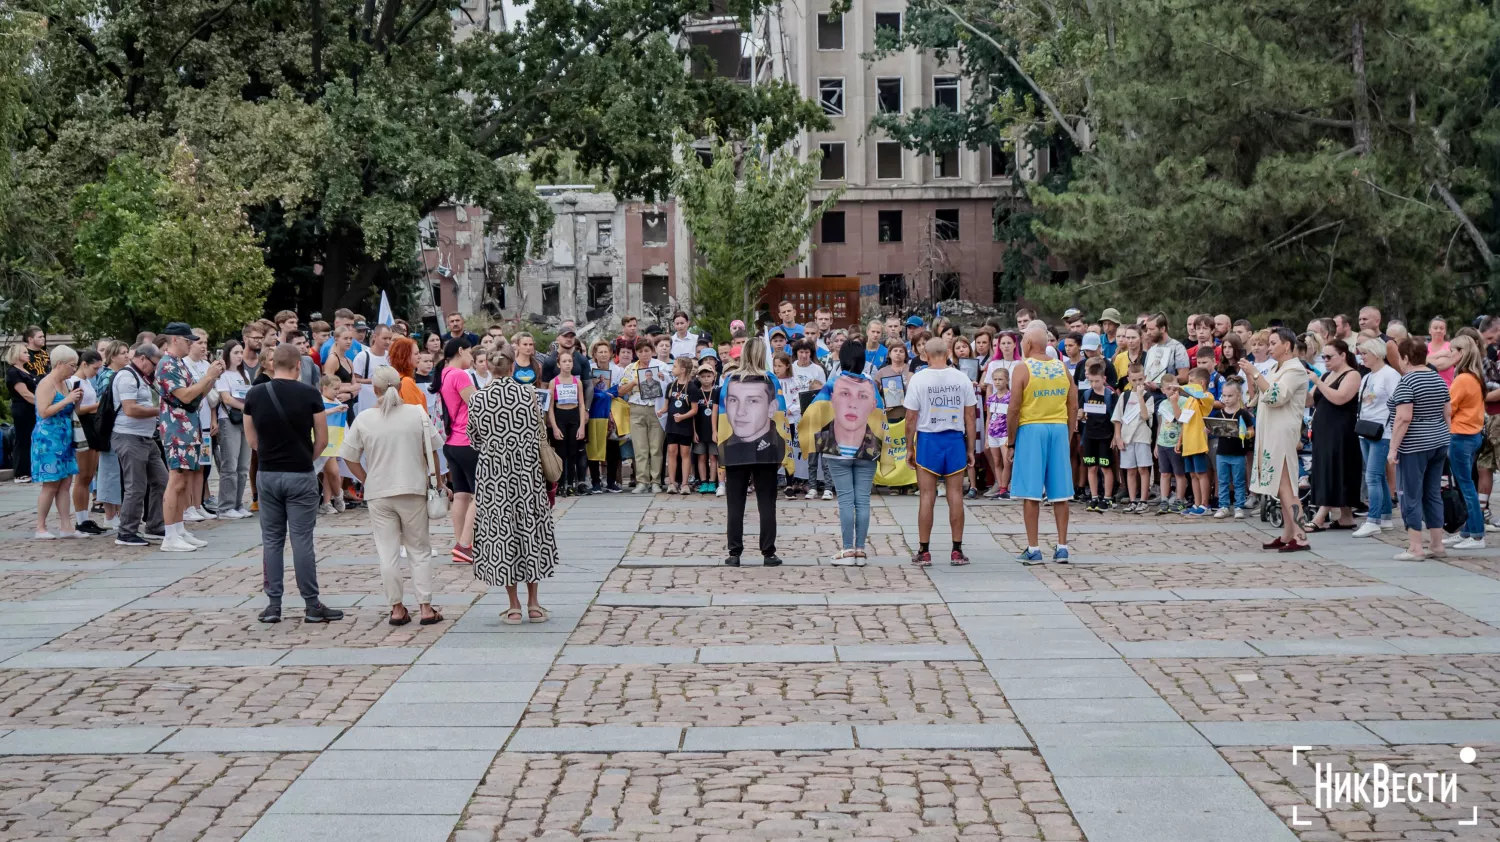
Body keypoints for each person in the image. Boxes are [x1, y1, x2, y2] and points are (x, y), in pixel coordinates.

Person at [244, 344, 341, 623]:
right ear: (298, 365)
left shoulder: (256, 393)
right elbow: (322, 438)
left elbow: (251, 439)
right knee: (302, 540)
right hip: (299, 472)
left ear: (273, 365)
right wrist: (306, 459)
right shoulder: (310, 393)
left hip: (268, 473)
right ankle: (311, 604)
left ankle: (274, 604)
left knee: (272, 540)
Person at [342, 366, 446, 625]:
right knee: (419, 550)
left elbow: (349, 456)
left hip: (379, 491)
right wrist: (438, 481)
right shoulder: (416, 414)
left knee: (387, 552)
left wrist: (366, 478)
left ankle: (397, 608)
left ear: (374, 389)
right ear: (400, 387)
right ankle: (425, 606)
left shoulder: (365, 418)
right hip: (412, 487)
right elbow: (432, 451)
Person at [468, 347, 558, 623]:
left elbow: (474, 438)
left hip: (494, 475)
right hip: (526, 471)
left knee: (503, 533)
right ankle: (534, 603)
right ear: (511, 369)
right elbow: (539, 431)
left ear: (489, 368)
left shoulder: (478, 398)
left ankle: (514, 605)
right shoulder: (528, 394)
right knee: (530, 530)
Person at [801, 341, 885, 565]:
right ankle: (860, 550)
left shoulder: (834, 383)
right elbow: (880, 412)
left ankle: (847, 550)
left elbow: (815, 411)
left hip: (838, 449)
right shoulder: (870, 384)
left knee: (846, 500)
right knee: (863, 501)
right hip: (866, 447)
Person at [905, 337, 977, 566]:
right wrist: (970, 448)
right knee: (955, 495)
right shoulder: (962, 378)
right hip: (954, 438)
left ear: (924, 355)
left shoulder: (919, 379)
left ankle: (924, 550)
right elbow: (970, 417)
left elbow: (910, 418)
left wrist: (909, 446)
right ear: (948, 352)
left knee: (927, 496)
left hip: (928, 439)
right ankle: (957, 550)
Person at [1008, 325, 1077, 563]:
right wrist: (1067, 433)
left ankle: (1034, 547)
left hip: (1031, 428)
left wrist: (1011, 440)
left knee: (1031, 492)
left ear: (1027, 344)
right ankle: (1062, 546)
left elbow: (1014, 407)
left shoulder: (1022, 368)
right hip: (1058, 428)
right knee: (1061, 493)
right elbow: (1073, 403)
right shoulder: (1062, 367)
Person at [717, 337, 788, 567]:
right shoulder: (771, 380)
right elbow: (780, 416)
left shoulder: (729, 380)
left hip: (735, 449)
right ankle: (768, 552)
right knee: (766, 502)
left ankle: (734, 552)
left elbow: (722, 415)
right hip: (766, 450)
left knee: (735, 503)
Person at [1239, 327, 1312, 552]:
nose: (1269, 348)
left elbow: (1276, 396)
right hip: (1269, 429)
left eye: (1272, 343)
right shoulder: (1275, 367)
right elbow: (1260, 395)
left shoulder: (1295, 369)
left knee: (1287, 485)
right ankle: (1288, 533)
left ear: (1287, 345)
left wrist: (1255, 373)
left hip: (1282, 430)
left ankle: (1301, 535)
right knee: (1281, 487)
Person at [156, 323, 224, 552]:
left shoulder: (178, 364)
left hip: (188, 427)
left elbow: (197, 396)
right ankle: (170, 535)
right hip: (176, 429)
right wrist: (208, 377)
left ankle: (178, 529)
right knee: (175, 481)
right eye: (188, 340)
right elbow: (185, 396)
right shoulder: (166, 365)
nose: (191, 343)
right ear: (175, 340)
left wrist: (212, 379)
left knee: (183, 480)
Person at [111, 344, 167, 547]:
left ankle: (154, 524)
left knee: (161, 479)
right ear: (142, 358)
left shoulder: (142, 376)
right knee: (136, 486)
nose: (154, 368)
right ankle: (126, 532)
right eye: (153, 364)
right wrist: (160, 410)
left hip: (145, 437)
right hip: (128, 436)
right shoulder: (127, 377)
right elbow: (130, 409)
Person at [1305, 339, 1362, 531]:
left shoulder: (1352, 374)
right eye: (1324, 357)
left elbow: (1340, 398)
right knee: (1329, 469)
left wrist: (1318, 382)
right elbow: (1310, 400)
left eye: (1330, 356)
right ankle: (1346, 516)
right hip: (1324, 430)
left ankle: (1321, 516)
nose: (1326, 360)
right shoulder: (1328, 375)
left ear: (1343, 355)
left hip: (1341, 430)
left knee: (1335, 469)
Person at [432, 338, 480, 563]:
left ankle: (461, 544)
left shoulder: (443, 374)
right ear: (461, 350)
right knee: (482, 494)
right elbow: (477, 404)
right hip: (466, 441)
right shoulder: (460, 375)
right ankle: (464, 544)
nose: (472, 358)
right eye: (470, 353)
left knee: (461, 495)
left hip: (452, 442)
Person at [31, 346, 81, 539]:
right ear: (59, 364)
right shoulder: (46, 383)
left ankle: (66, 526)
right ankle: (40, 527)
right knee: (51, 484)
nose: (73, 369)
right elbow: (43, 411)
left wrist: (75, 400)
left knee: (66, 482)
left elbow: (69, 409)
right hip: (48, 439)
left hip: (64, 438)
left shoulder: (66, 383)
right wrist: (67, 399)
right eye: (71, 365)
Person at [1351, 337, 1399, 537]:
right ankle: (1385, 515)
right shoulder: (1367, 376)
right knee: (1376, 476)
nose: (1362, 357)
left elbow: (1398, 403)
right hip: (1366, 429)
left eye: (1365, 353)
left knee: (1372, 476)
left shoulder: (1390, 375)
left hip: (1383, 431)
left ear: (1377, 354)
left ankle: (1373, 519)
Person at [1444, 335, 1486, 548]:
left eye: (1453, 350)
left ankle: (1477, 534)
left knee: (1466, 487)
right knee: (1466, 484)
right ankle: (1469, 531)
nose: (1450, 353)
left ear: (1462, 352)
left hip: (1461, 435)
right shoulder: (1475, 376)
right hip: (1472, 434)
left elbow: (1449, 407)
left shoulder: (1463, 379)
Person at [619, 336, 668, 493]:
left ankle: (656, 481)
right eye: (640, 351)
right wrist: (633, 382)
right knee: (640, 447)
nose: (644, 354)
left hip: (656, 408)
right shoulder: (630, 368)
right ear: (636, 353)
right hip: (637, 408)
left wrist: (663, 378)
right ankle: (642, 480)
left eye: (647, 350)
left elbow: (671, 385)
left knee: (656, 447)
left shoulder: (661, 366)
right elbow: (620, 391)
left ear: (652, 351)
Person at [67, 350, 105, 535]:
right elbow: (77, 409)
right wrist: (98, 406)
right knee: (82, 477)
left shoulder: (88, 382)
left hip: (92, 425)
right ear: (84, 364)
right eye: (94, 368)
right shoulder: (74, 381)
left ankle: (85, 518)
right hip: (82, 425)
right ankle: (80, 519)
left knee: (89, 475)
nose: (96, 372)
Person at [92, 341, 130, 527]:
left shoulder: (122, 374)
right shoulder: (107, 376)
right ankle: (109, 514)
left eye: (127, 352)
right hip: (110, 428)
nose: (126, 355)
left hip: (121, 428)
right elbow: (104, 405)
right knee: (109, 472)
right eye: (122, 352)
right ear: (112, 356)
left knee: (120, 472)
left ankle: (120, 511)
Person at [214, 340, 253, 518]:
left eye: (240, 353)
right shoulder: (223, 375)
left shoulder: (243, 373)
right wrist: (245, 408)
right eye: (235, 353)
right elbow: (226, 399)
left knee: (243, 465)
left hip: (244, 420)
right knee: (230, 464)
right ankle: (226, 506)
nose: (239, 356)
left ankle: (237, 504)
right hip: (229, 420)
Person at [547, 350, 591, 496]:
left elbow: (582, 404)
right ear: (559, 364)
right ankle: (560, 484)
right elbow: (550, 407)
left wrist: (581, 426)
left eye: (569, 361)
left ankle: (571, 483)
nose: (567, 364)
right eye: (564, 361)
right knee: (561, 452)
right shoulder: (554, 382)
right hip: (560, 415)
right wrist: (554, 426)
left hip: (574, 416)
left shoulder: (576, 381)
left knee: (573, 452)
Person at [1209, 380, 1255, 518]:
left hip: (1238, 453)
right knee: (1222, 480)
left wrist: (1246, 434)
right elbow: (1210, 428)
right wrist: (1208, 429)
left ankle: (1239, 506)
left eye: (1230, 396)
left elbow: (1252, 430)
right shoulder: (1218, 414)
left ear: (1238, 396)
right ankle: (1223, 506)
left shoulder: (1243, 414)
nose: (1227, 399)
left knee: (1239, 480)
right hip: (1221, 452)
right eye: (1224, 396)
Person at [1112, 364, 1155, 513]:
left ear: (1145, 378)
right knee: (1130, 470)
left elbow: (1145, 416)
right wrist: (1118, 437)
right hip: (1126, 437)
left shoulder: (1149, 397)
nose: (1137, 383)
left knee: (1143, 468)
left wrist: (1140, 397)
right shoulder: (1124, 396)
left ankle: (1143, 500)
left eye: (1140, 379)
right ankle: (1132, 500)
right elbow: (1117, 418)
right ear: (1129, 379)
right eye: (1134, 380)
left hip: (1142, 436)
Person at [1078, 360, 1118, 512]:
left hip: (1105, 436)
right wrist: (1080, 415)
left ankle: (1107, 497)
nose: (1094, 384)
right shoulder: (1087, 394)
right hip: (1090, 435)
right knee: (1091, 467)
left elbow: (1116, 417)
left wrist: (1115, 436)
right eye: (1091, 381)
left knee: (1106, 467)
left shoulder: (1110, 395)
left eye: (1097, 381)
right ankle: (1094, 496)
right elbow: (1082, 414)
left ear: (1104, 379)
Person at [586, 340, 625, 493]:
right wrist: (601, 393)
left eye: (605, 351)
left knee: (613, 447)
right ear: (594, 354)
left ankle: (611, 481)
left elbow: (620, 389)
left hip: (612, 411)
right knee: (594, 446)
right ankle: (596, 482)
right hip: (595, 411)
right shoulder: (589, 369)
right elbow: (588, 389)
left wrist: (612, 393)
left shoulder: (618, 370)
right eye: (600, 352)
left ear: (611, 353)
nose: (603, 354)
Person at [1178, 368, 1215, 517]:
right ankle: (1197, 503)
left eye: (1191, 382)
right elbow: (1182, 418)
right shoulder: (1189, 400)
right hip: (1188, 443)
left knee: (1201, 473)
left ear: (1201, 383)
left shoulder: (1206, 396)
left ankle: (1205, 504)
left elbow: (1201, 397)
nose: (1188, 385)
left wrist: (1181, 387)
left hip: (1198, 442)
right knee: (1192, 474)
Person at [662, 357, 700, 494]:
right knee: (671, 452)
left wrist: (683, 417)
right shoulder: (670, 386)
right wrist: (661, 411)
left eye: (675, 367)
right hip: (672, 425)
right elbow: (666, 406)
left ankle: (684, 483)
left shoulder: (692, 387)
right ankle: (672, 483)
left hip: (685, 426)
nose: (673, 369)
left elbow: (694, 410)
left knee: (685, 453)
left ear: (683, 370)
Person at [316, 376, 349, 514]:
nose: (337, 392)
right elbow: (316, 415)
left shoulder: (336, 401)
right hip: (320, 441)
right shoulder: (318, 401)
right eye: (335, 389)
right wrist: (334, 410)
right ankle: (335, 497)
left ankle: (329, 501)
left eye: (338, 389)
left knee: (331, 473)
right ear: (324, 388)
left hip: (333, 442)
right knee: (331, 472)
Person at [1154, 375, 1188, 514]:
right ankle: (1164, 499)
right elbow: (1160, 424)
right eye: (1168, 388)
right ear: (1163, 390)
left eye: (1174, 387)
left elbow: (1183, 421)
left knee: (1179, 473)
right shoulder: (1162, 404)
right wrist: (1157, 443)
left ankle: (1180, 499)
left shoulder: (1184, 401)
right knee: (1164, 473)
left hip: (1176, 443)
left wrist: (1180, 441)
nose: (1172, 391)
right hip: (1163, 443)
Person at [6, 344, 38, 483]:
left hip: (32, 409)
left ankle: (31, 469)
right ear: (16, 354)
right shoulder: (13, 372)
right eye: (24, 352)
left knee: (31, 439)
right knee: (23, 439)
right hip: (22, 409)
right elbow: (25, 394)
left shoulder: (26, 371)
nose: (28, 355)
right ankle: (21, 472)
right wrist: (43, 403)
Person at [983, 366, 1012, 499]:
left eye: (1000, 379)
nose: (997, 382)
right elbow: (989, 417)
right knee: (997, 462)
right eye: (995, 379)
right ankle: (1000, 487)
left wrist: (1011, 436)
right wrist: (987, 437)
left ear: (1007, 380)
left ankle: (1005, 486)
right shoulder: (991, 398)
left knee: (1007, 462)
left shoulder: (1010, 397)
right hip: (993, 433)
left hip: (1005, 434)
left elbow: (1012, 417)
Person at [352, 324, 393, 415]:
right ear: (375, 337)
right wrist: (373, 380)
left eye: (390, 339)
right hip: (367, 403)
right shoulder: (363, 356)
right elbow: (354, 380)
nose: (388, 342)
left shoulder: (389, 357)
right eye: (384, 338)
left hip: (385, 403)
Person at [693, 363, 718, 494]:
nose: (706, 379)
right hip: (700, 430)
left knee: (713, 457)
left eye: (708, 376)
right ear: (699, 378)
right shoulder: (696, 393)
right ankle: (703, 482)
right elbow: (693, 414)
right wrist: (694, 431)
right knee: (701, 457)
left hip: (714, 431)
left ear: (714, 376)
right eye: (703, 376)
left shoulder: (717, 392)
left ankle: (713, 482)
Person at [1428, 317, 1456, 384]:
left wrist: (1426, 360)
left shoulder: (1451, 347)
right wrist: (1440, 354)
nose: (1438, 330)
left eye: (1441, 328)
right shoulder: (1424, 348)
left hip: (1447, 390)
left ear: (1445, 331)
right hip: (1427, 390)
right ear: (1429, 330)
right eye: (1435, 328)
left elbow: (1439, 366)